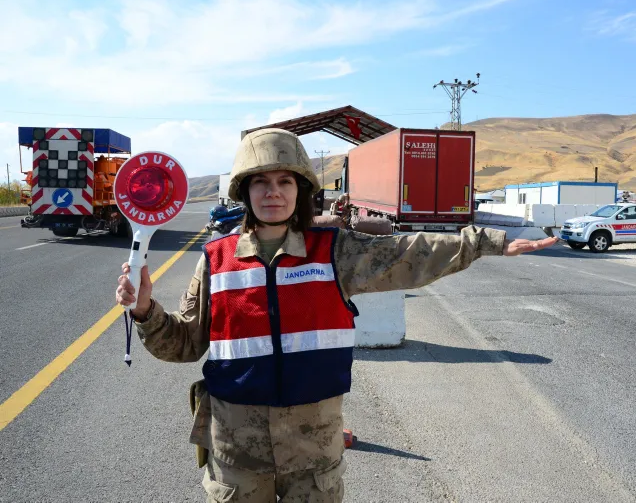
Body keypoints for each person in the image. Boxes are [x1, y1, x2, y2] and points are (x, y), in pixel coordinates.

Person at [115, 128, 559, 503]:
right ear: (245, 192)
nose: (273, 192)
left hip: (313, 457)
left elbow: (411, 254)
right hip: (237, 459)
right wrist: (145, 310)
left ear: (301, 190)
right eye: (261, 182)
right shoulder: (216, 260)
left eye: (285, 181)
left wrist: (486, 242)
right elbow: (184, 345)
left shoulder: (335, 253)